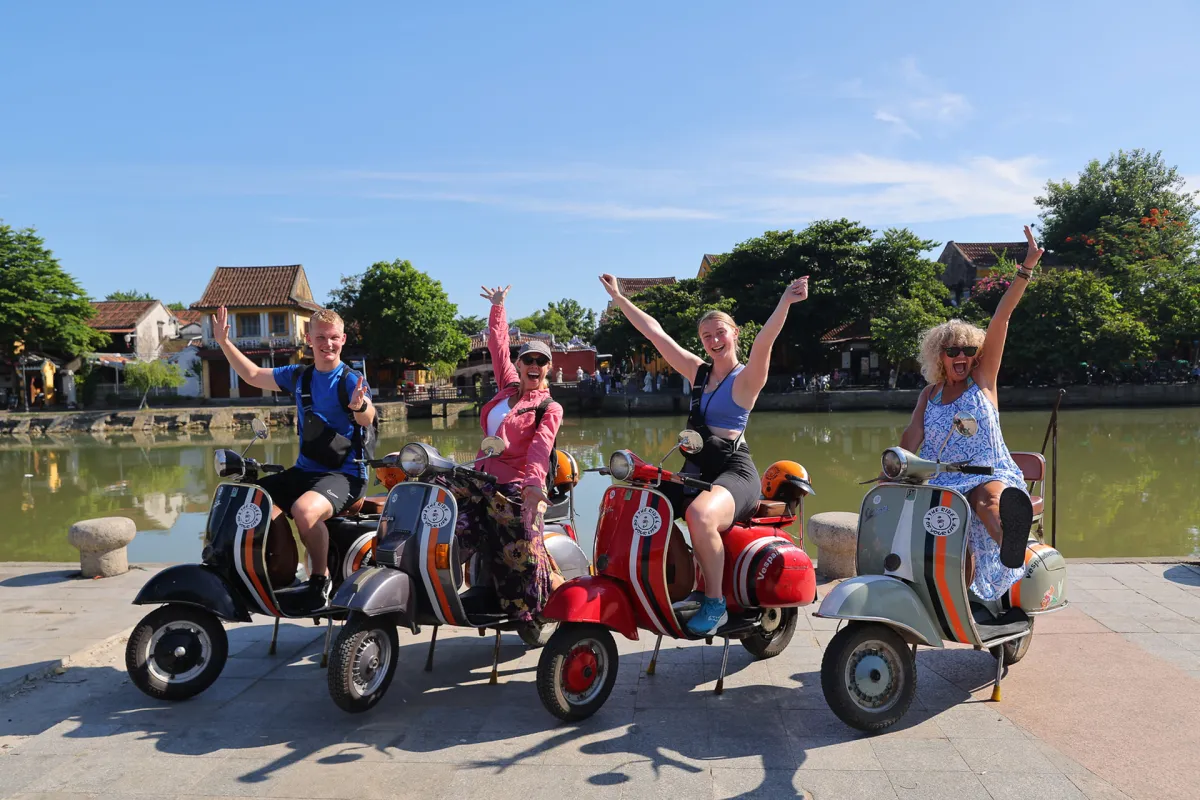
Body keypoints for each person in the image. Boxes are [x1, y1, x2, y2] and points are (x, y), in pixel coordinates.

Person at [600, 273, 810, 635]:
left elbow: (765, 340)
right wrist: (619, 299)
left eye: (720, 333)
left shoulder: (746, 379)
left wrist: (785, 301)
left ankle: (715, 603)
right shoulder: (697, 372)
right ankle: (668, 579)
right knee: (641, 501)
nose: (713, 341)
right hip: (697, 468)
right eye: (706, 336)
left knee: (699, 514)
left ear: (735, 334)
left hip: (734, 472)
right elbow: (655, 334)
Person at [898, 226, 1044, 601]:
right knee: (947, 544)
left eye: (967, 350)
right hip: (942, 482)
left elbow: (1001, 319)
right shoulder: (929, 395)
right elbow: (910, 440)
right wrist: (891, 471)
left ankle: (1014, 544)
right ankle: (957, 604)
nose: (960, 356)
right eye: (952, 351)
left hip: (987, 472)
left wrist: (1026, 267)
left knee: (987, 501)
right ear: (940, 357)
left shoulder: (983, 381)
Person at [210, 306, 374, 609]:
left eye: (334, 337)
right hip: (305, 471)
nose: (327, 344)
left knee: (304, 511)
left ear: (343, 339)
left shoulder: (351, 380)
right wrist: (224, 342)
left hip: (346, 475)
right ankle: (276, 573)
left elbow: (368, 417)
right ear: (308, 339)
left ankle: (320, 581)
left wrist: (360, 407)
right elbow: (253, 375)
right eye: (320, 337)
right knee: (250, 499)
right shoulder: (299, 376)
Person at [455, 285, 563, 621]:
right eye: (528, 359)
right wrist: (498, 307)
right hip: (479, 478)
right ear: (519, 364)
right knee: (445, 519)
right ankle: (440, 586)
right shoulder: (506, 387)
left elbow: (540, 448)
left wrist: (533, 485)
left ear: (548, 368)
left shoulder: (548, 407)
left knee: (522, 552)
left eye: (540, 361)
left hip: (515, 484)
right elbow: (498, 344)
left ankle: (535, 611)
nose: (534, 364)